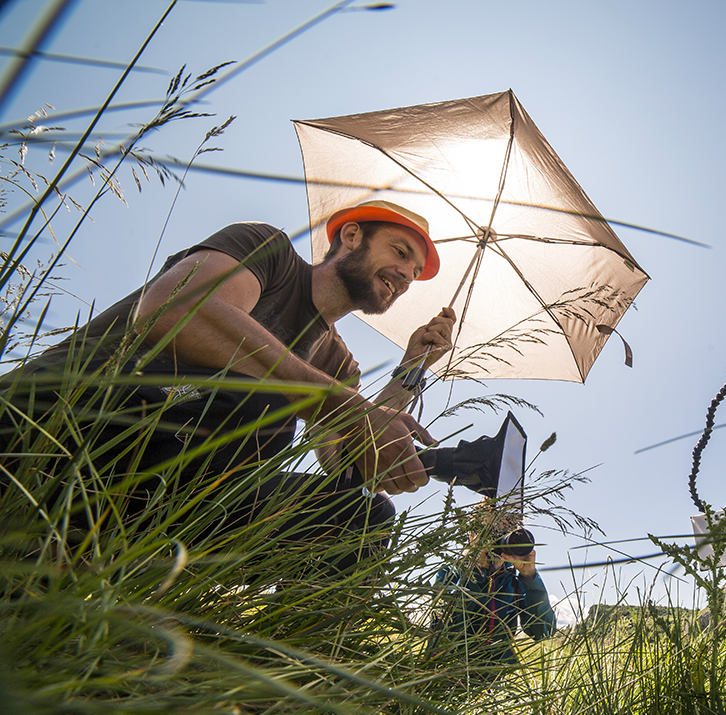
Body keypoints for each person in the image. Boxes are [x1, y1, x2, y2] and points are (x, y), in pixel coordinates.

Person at [1, 199, 455, 575]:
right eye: (399, 252)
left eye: (415, 272)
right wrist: (341, 406)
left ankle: (285, 667)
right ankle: (62, 551)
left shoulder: (338, 365)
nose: (405, 275)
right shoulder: (268, 251)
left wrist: (410, 371)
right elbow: (177, 307)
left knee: (363, 515)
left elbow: (353, 468)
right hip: (58, 419)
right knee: (262, 397)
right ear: (352, 236)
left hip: (175, 488)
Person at [427, 506, 556, 667]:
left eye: (505, 532)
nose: (497, 539)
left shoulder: (515, 580)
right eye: (490, 531)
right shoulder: (450, 574)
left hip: (497, 675)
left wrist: (530, 577)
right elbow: (444, 630)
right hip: (449, 670)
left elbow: (544, 633)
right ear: (471, 534)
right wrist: (474, 573)